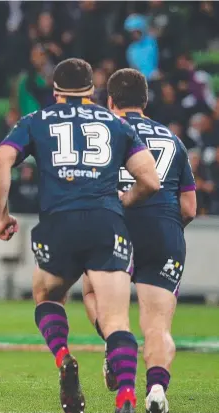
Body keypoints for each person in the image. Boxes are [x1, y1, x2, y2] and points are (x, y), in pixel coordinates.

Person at [0, 58, 160, 413]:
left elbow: (0, 161)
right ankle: (126, 395)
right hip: (105, 222)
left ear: (55, 91)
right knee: (115, 320)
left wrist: (2, 216)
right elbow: (151, 180)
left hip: (59, 224)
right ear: (93, 90)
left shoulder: (36, 120)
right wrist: (124, 199)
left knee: (46, 294)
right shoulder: (116, 122)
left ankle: (64, 355)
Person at [82, 68, 197, 413]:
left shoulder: (99, 133)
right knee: (157, 325)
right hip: (163, 232)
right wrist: (167, 231)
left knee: (90, 291)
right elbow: (189, 207)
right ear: (145, 101)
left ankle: (115, 344)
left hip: (113, 229)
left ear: (110, 100)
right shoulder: (172, 139)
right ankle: (157, 390)